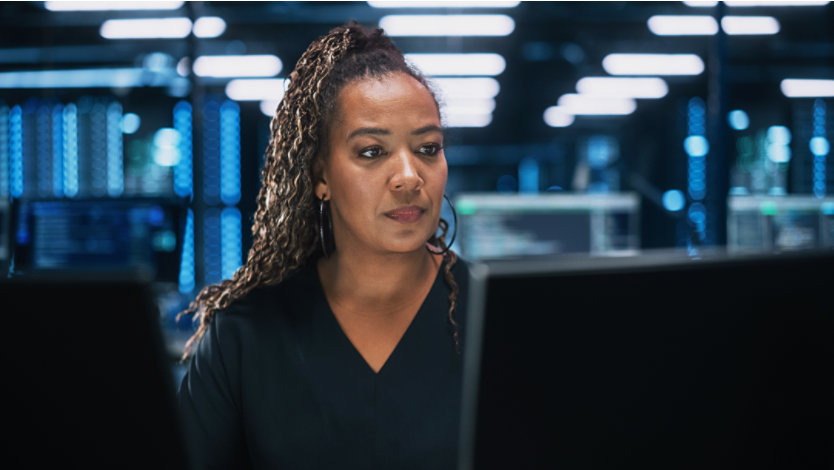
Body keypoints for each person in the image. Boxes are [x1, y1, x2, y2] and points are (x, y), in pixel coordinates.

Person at [176, 21, 467, 470]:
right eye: (372, 151)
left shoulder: (494, 319)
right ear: (320, 176)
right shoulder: (245, 335)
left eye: (428, 148)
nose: (410, 176)